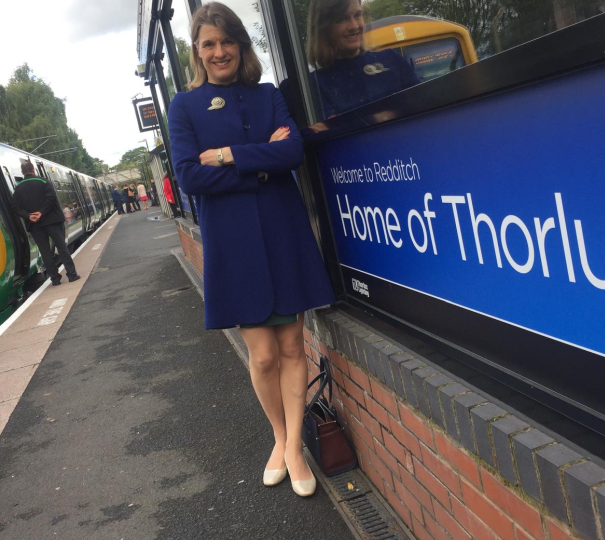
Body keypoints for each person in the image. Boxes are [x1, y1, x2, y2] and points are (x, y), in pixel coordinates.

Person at [168, 2, 335, 498]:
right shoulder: (184, 106)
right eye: (209, 44)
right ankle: (281, 437)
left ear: (240, 44)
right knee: (262, 356)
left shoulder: (267, 95)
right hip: (234, 243)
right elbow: (191, 177)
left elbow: (292, 152)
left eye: (227, 41)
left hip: (282, 232)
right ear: (198, 53)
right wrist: (262, 167)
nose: (220, 52)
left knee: (291, 346)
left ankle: (294, 451)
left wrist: (228, 157)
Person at [306, 0, 419, 119]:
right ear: (323, 27)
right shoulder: (313, 87)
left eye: (357, 15)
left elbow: (423, 105)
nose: (354, 26)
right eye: (342, 18)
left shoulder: (392, 59)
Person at [11, 161, 80, 286]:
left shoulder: (18, 188)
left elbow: (15, 208)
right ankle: (72, 275)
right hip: (52, 220)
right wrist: (41, 212)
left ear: (22, 172)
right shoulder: (43, 181)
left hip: (35, 225)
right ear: (33, 170)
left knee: (45, 251)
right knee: (62, 248)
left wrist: (29, 216)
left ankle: (55, 278)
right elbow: (51, 198)